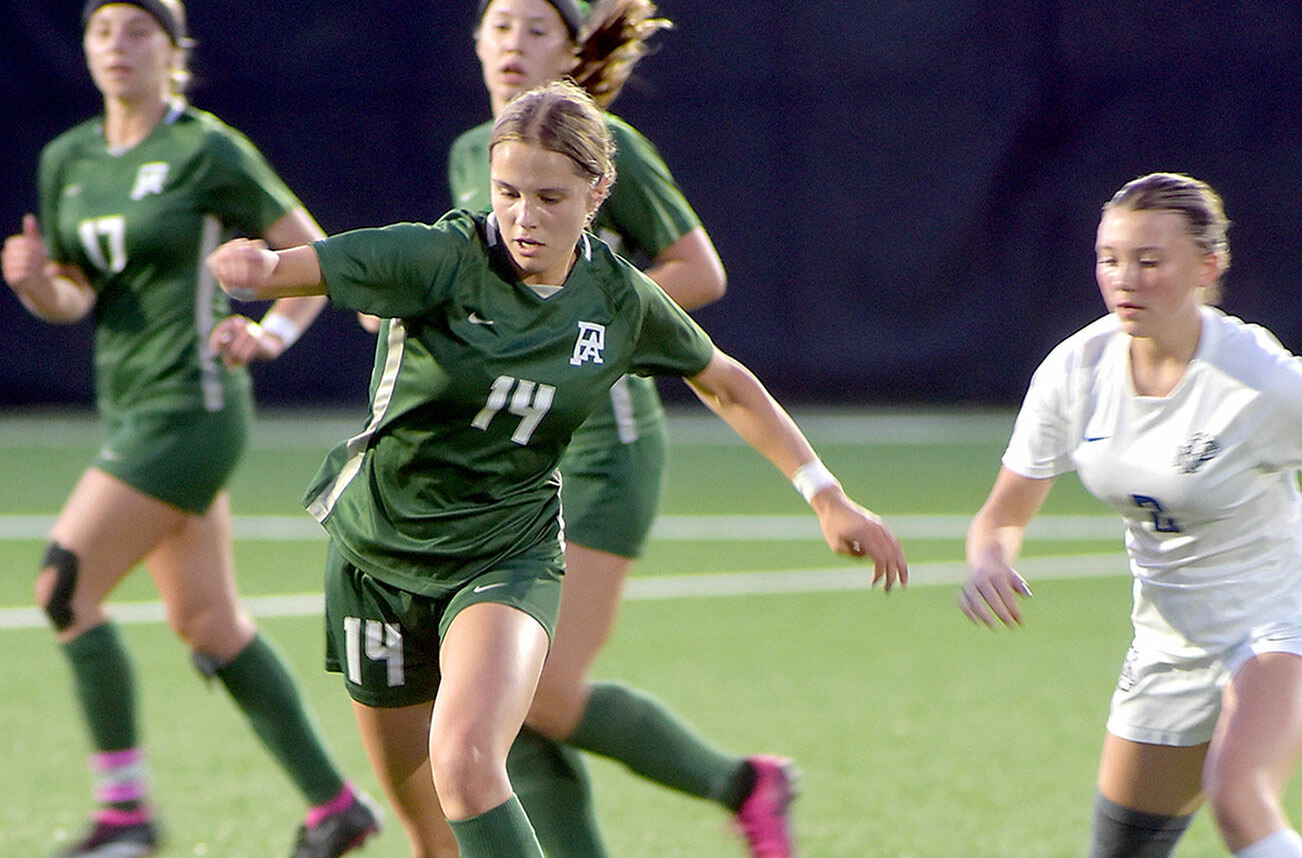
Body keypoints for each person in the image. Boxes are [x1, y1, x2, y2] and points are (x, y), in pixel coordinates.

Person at [206, 79, 908, 858]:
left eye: (549, 195)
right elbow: (307, 265)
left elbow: (723, 381)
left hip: (505, 556)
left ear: (597, 192)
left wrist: (826, 494)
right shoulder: (440, 256)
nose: (524, 216)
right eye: (508, 192)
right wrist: (258, 267)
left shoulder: (616, 298)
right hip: (376, 555)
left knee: (468, 764)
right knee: (434, 838)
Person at [0, 0, 381, 856]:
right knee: (208, 624)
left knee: (63, 587)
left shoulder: (204, 148)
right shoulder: (69, 159)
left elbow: (311, 255)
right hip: (133, 406)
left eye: (139, 30)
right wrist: (31, 283)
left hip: (194, 408)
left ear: (173, 50)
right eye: (102, 30)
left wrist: (269, 332)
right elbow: (72, 295)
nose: (117, 45)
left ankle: (126, 814)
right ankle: (337, 808)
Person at [448, 0, 807, 855]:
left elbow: (699, 271)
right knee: (511, 708)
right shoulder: (473, 150)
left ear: (571, 50)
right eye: (500, 26)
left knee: (540, 693)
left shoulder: (606, 147)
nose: (514, 44)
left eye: (537, 29)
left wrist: (585, 321)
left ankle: (744, 783)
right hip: (510, 457)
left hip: (605, 445)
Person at [960, 171, 1302, 858]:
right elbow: (1001, 515)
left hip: (1276, 618)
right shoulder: (1076, 370)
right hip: (1167, 641)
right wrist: (990, 559)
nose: (1125, 278)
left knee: (1239, 797)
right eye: (1110, 258)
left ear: (1207, 266)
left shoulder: (1259, 380)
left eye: (1150, 261)